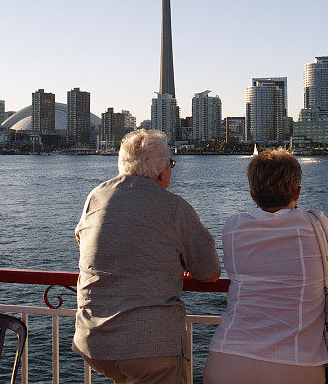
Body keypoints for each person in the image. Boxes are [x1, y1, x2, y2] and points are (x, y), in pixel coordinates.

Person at [73, 129, 220, 384]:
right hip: (150, 347)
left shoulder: (96, 196)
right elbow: (209, 273)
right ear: (162, 171)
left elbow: (85, 240)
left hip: (94, 340)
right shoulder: (174, 207)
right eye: (171, 164)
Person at [204, 148, 328, 384]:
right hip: (297, 363)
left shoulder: (233, 226)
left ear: (252, 194)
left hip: (228, 357)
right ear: (297, 192)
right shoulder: (317, 225)